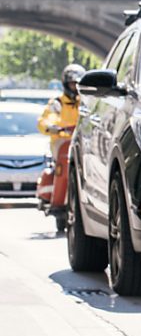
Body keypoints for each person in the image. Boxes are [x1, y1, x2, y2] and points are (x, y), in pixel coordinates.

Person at [37, 64, 85, 226]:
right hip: (62, 142)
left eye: (77, 84)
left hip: (82, 142)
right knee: (63, 164)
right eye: (72, 84)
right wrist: (53, 127)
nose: (75, 88)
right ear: (65, 84)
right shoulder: (57, 103)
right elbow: (46, 119)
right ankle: (58, 201)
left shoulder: (86, 102)